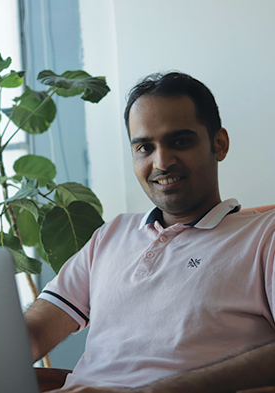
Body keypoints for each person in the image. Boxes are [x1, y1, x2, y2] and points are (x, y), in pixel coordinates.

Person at [25, 72, 275, 392]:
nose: (162, 162)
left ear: (219, 144)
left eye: (180, 142)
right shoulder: (111, 235)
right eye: (145, 147)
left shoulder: (264, 236)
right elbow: (33, 335)